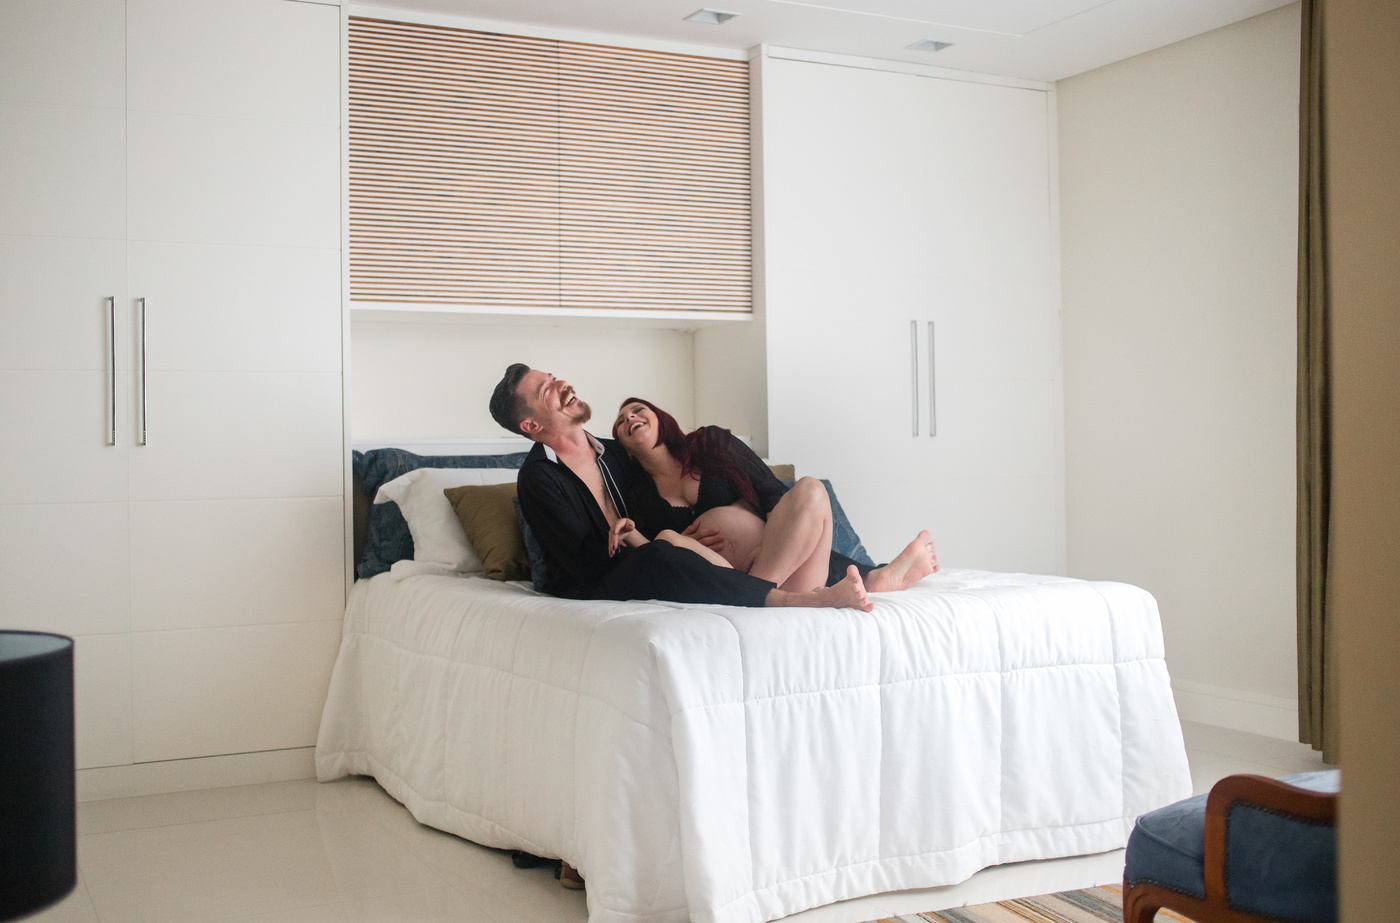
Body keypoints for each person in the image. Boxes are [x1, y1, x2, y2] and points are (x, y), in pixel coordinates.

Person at [488, 363, 873, 611]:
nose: (561, 384)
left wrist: (707, 530)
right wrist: (641, 540)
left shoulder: (617, 454)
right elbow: (582, 561)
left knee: (781, 515)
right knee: (661, 552)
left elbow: (665, 496)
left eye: (553, 377)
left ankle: (871, 575)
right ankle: (787, 601)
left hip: (663, 555)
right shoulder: (538, 478)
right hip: (603, 582)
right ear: (532, 426)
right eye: (547, 390)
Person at [612, 397, 938, 594]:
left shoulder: (710, 443)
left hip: (779, 564)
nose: (630, 418)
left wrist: (775, 532)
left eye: (638, 410)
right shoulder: (640, 498)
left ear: (661, 417)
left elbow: (772, 494)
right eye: (621, 421)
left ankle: (871, 576)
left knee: (810, 488)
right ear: (622, 448)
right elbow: (658, 556)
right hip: (729, 579)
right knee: (669, 539)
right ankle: (871, 578)